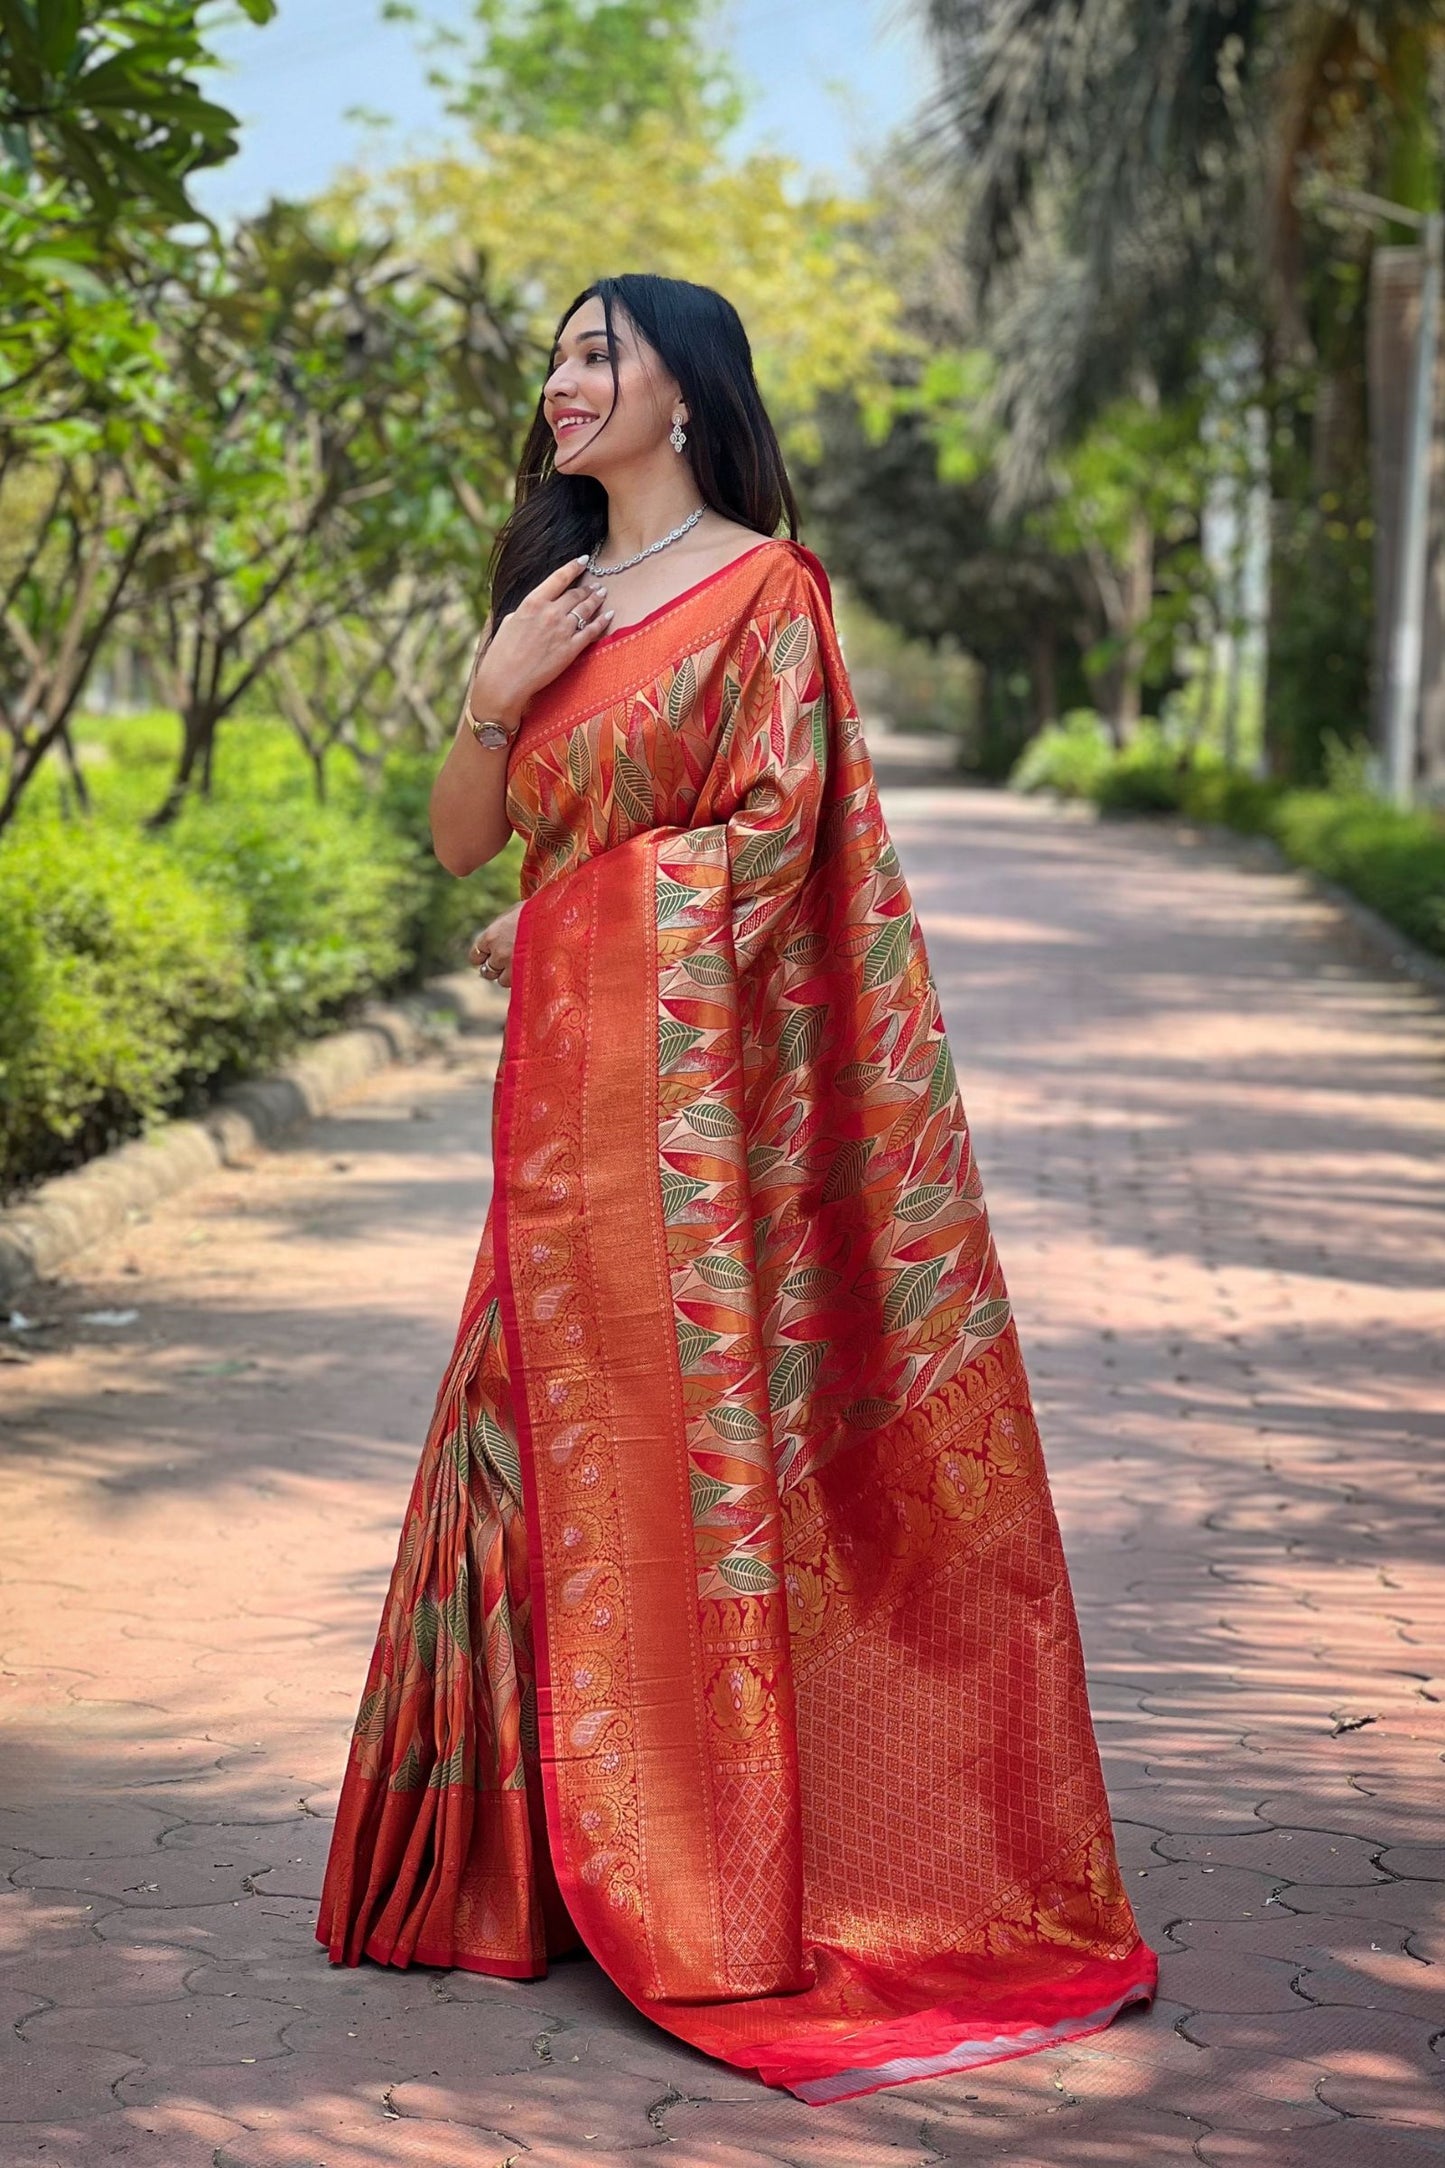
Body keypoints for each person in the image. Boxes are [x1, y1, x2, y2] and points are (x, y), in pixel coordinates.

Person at [316, 272, 1156, 2102]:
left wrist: (577, 921)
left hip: (698, 1147)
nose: (559, 381)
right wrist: (488, 695)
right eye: (550, 353)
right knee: (517, 1449)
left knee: (678, 1464)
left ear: (687, 391)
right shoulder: (548, 604)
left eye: (596, 352)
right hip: (563, 1136)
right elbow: (475, 833)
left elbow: (779, 854)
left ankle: (715, 1865)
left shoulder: (765, 594)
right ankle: (509, 1872)